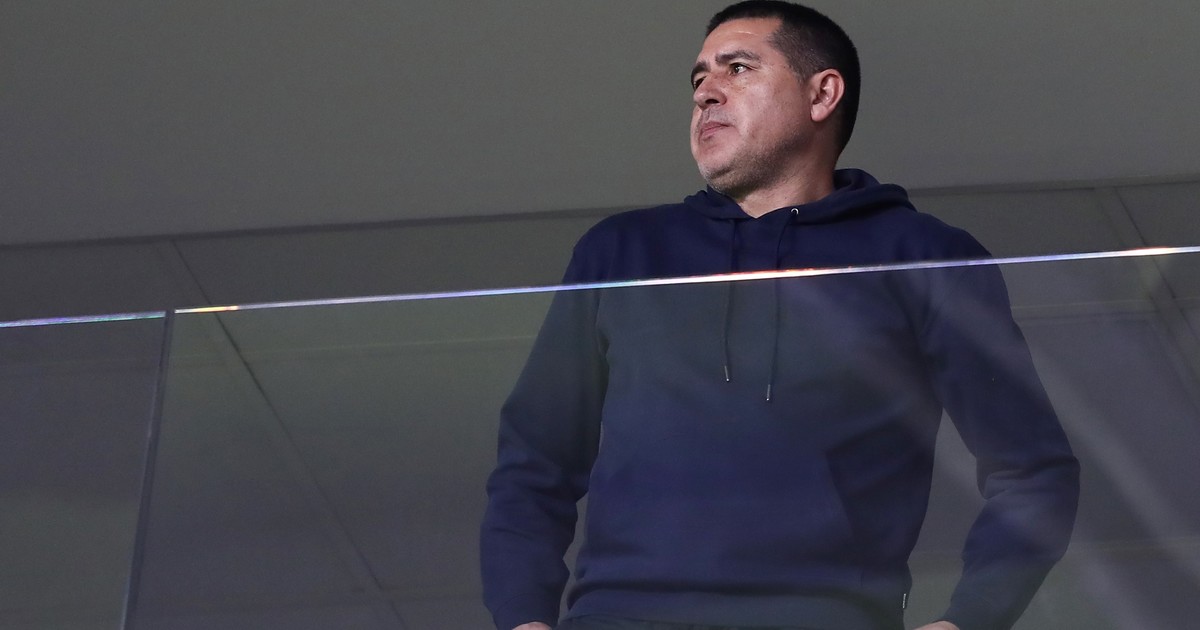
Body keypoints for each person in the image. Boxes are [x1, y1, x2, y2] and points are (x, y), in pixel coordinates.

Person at [480, 2, 1080, 629]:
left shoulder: (922, 256)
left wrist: (970, 620)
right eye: (699, 78)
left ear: (822, 94)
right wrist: (522, 618)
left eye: (737, 68)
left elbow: (1032, 468)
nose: (706, 93)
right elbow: (534, 461)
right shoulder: (623, 251)